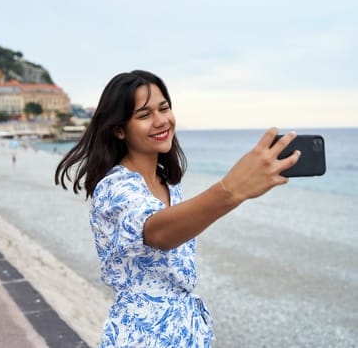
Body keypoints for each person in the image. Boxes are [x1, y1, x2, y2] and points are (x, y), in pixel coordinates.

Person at [54, 70, 300, 347]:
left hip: (186, 331)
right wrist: (232, 190)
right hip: (142, 337)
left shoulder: (167, 183)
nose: (161, 121)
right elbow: (158, 232)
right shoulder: (115, 187)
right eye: (144, 115)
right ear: (119, 129)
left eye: (164, 108)